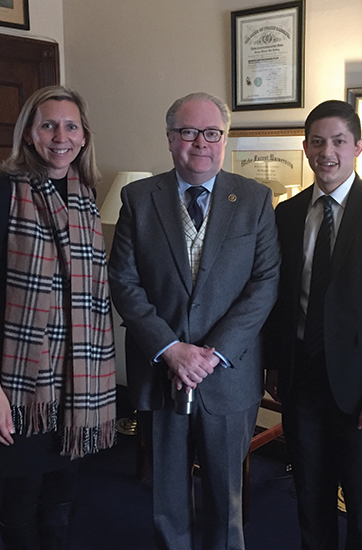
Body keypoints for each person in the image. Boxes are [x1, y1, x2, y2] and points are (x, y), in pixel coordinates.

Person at [108, 92, 280, 550]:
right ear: (169, 139)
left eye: (211, 133)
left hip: (228, 373)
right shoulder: (138, 198)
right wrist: (171, 349)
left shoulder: (256, 200)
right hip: (159, 369)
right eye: (188, 132)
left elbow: (264, 285)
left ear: (224, 139)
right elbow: (124, 282)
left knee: (228, 497)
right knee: (166, 493)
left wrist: (211, 354)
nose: (200, 142)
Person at [263, 100, 362, 550]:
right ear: (305, 147)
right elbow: (280, 299)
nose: (327, 151)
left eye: (338, 141)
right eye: (317, 142)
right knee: (310, 499)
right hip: (302, 383)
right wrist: (275, 366)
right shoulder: (288, 213)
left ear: (358, 146)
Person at [0, 85, 116, 549]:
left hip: (79, 386)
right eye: (48, 124)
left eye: (71, 126)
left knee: (62, 498)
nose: (60, 136)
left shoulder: (86, 197)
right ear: (29, 135)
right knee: (21, 498)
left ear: (84, 136)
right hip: (26, 388)